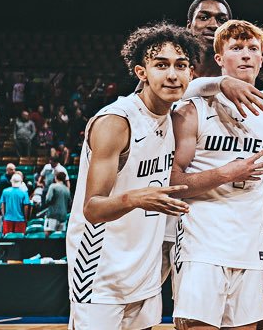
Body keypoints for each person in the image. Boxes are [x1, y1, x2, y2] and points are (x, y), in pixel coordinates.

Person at [64, 22, 202, 329]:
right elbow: (93, 208)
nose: (172, 75)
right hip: (100, 272)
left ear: (191, 74)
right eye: (161, 65)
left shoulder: (174, 117)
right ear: (141, 72)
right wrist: (135, 198)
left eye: (181, 66)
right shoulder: (117, 120)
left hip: (145, 274)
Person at [169, 19, 263, 329]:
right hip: (199, 248)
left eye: (253, 49)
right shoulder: (192, 110)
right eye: (236, 48)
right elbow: (170, 184)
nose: (245, 55)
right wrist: (226, 173)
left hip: (250, 252)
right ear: (219, 59)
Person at [186, 0, 232, 78]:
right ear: (189, 26)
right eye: (204, 18)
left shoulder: (238, 76)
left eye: (222, 20)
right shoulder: (174, 72)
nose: (214, 25)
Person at [43, 171, 71, 236]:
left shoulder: (53, 186)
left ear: (56, 178)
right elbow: (69, 202)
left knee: (48, 235)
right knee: (59, 237)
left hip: (53, 215)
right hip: (63, 216)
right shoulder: (67, 189)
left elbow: (48, 200)